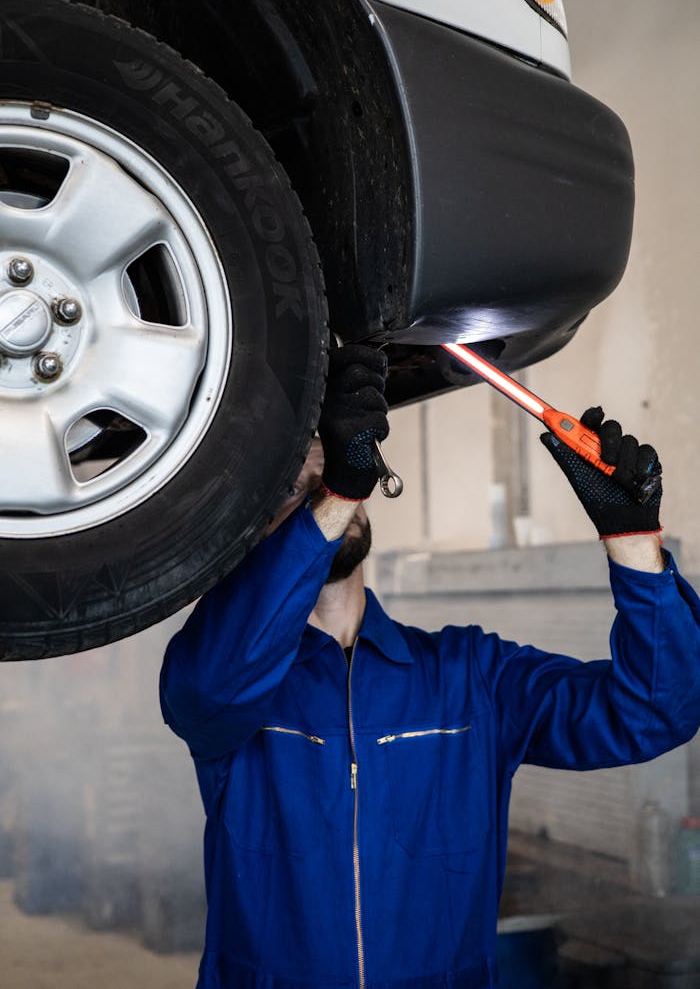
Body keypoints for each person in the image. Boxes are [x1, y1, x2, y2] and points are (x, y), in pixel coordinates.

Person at [160, 346, 700, 989]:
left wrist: (634, 545)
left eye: (330, 473)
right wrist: (333, 494)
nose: (320, 497)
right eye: (294, 491)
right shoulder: (230, 685)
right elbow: (208, 688)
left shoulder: (469, 676)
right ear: (248, 524)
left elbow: (653, 711)